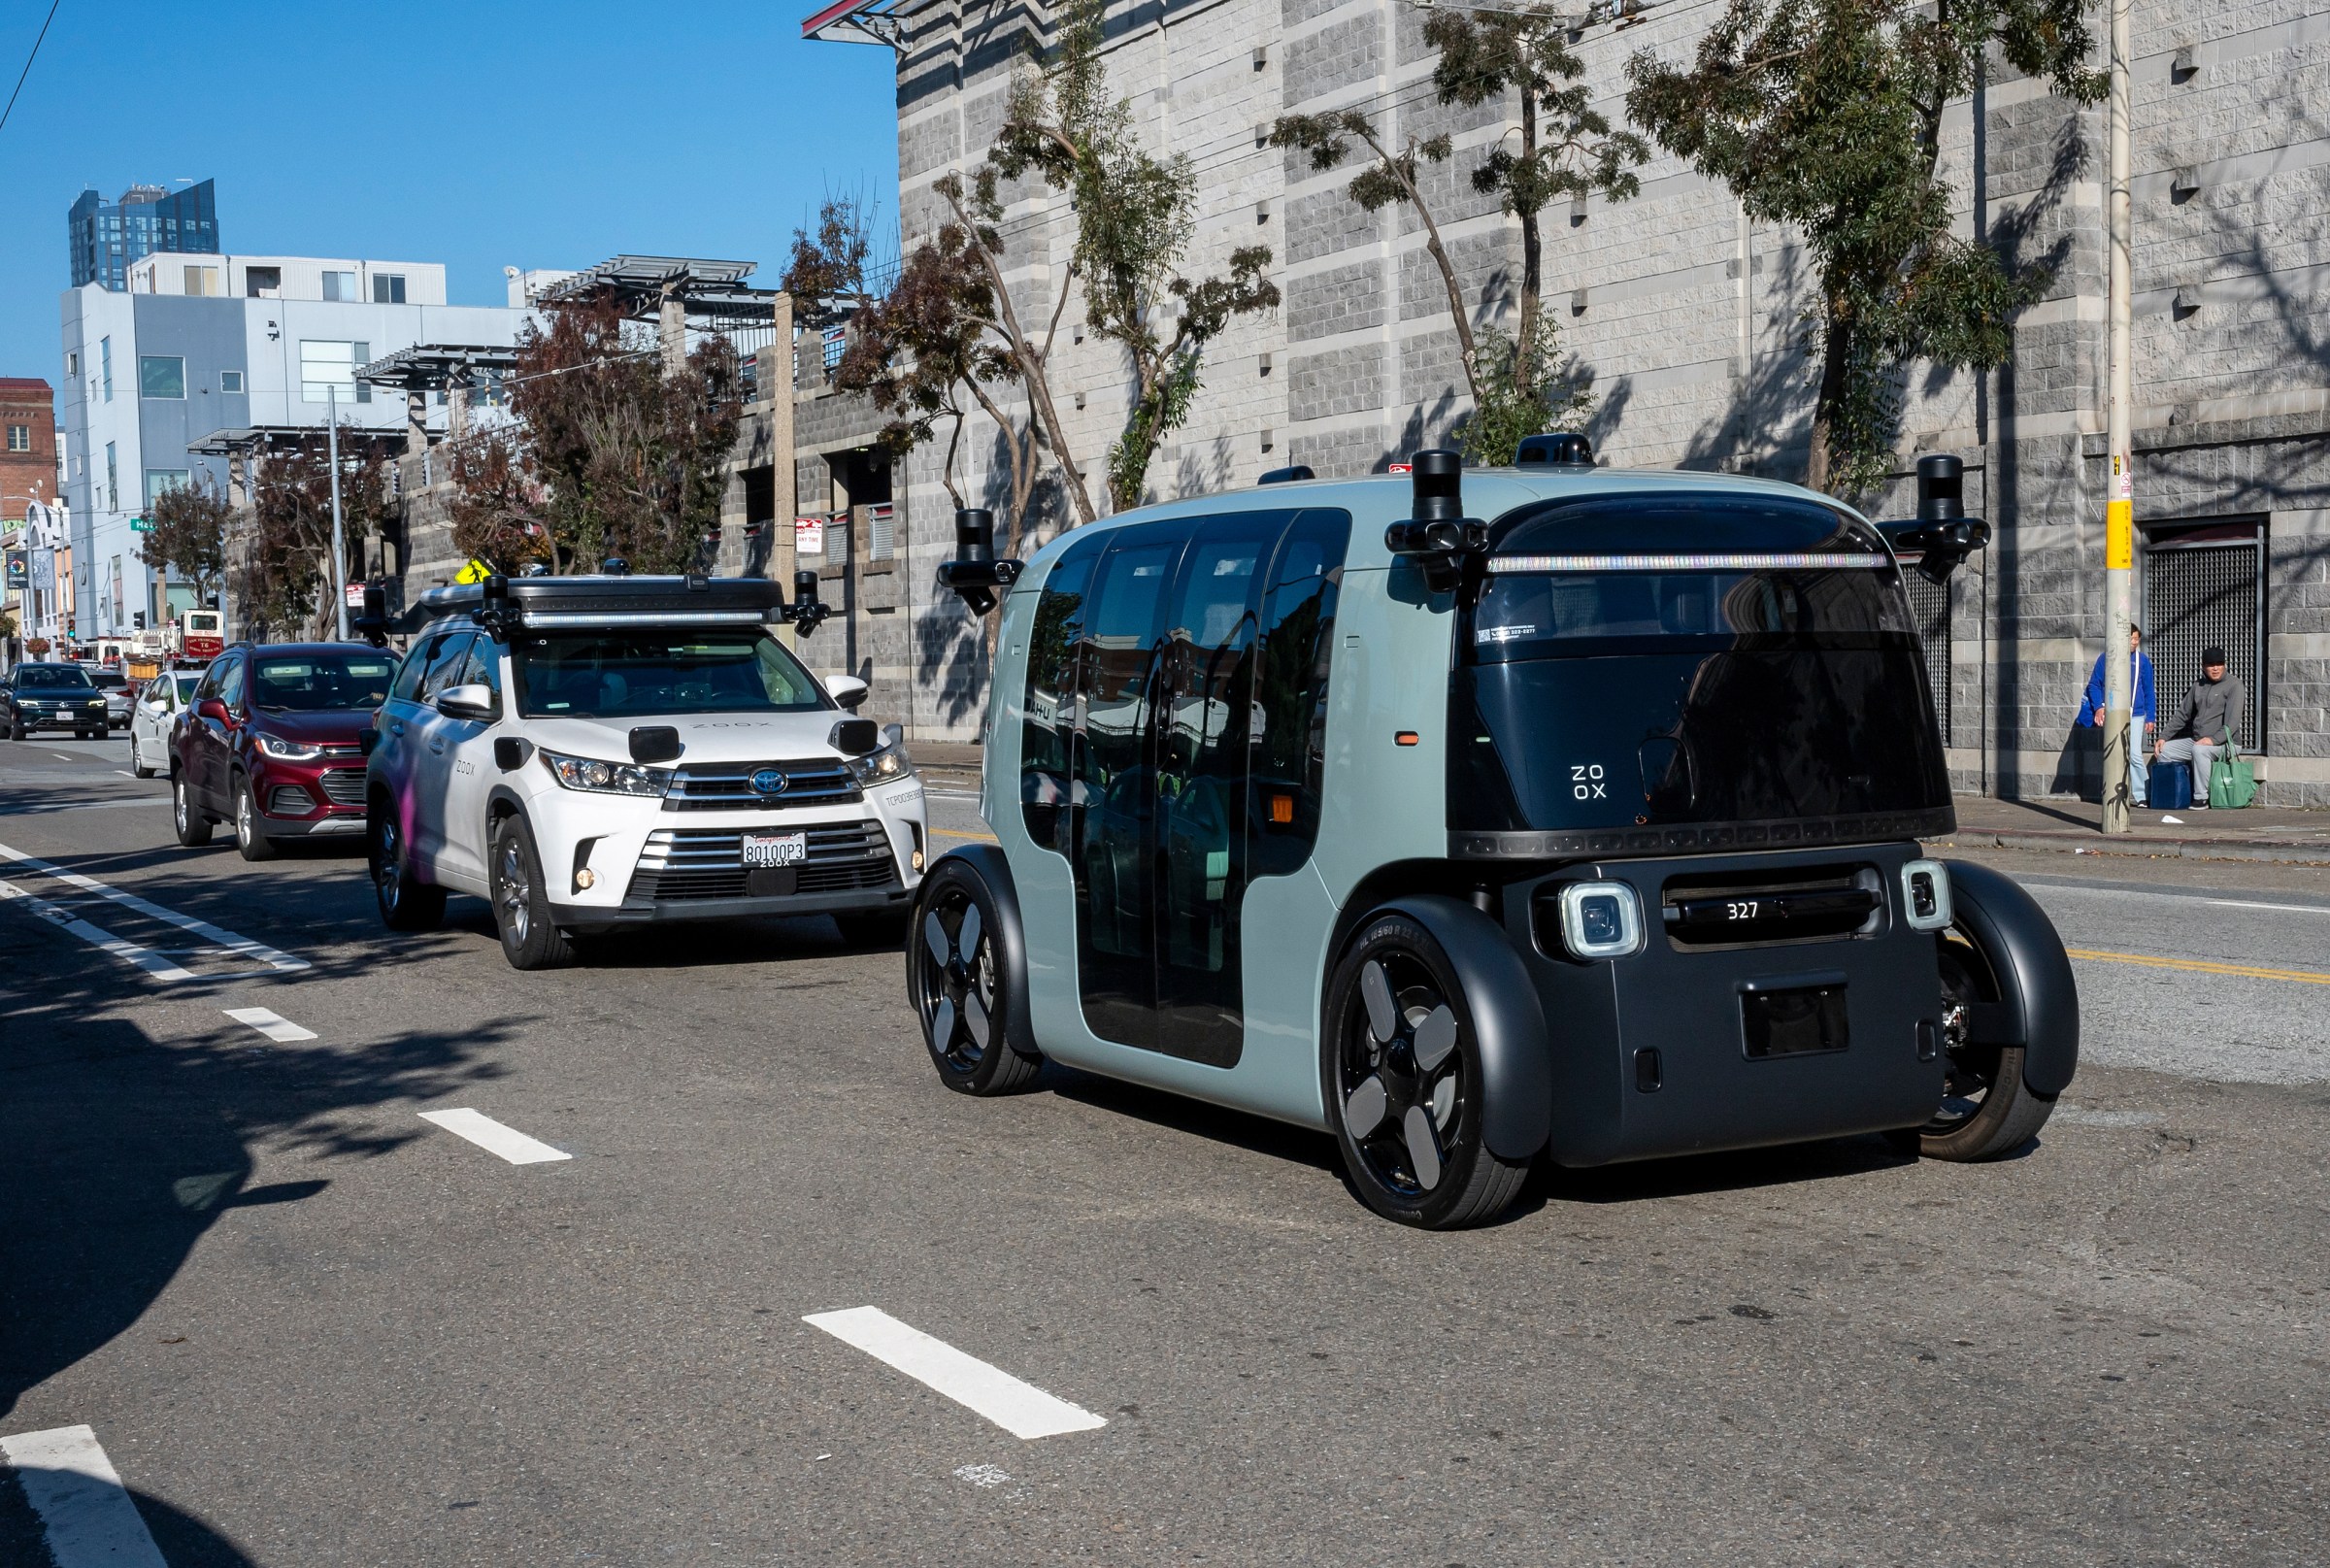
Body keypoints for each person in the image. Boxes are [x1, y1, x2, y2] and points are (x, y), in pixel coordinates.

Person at [2155, 645, 2247, 809]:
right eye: (2211, 665)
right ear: (2203, 667)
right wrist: (2164, 737)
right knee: (2164, 751)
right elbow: (2182, 714)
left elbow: (2232, 723)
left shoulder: (2235, 685)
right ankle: (2177, 795)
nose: (2215, 668)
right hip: (2197, 740)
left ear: (2225, 664)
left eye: (2219, 664)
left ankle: (2201, 798)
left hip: (2227, 744)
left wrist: (2212, 740)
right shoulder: (2198, 686)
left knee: (2199, 750)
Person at [2076, 625, 2156, 807]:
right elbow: (2094, 685)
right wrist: (2099, 707)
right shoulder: (2106, 658)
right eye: (2130, 638)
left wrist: (2150, 716)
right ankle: (2114, 791)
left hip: (2135, 713)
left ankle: (2143, 795)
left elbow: (2149, 690)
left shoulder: (2142, 661)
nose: (2134, 642)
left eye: (2136, 638)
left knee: (2134, 754)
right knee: (2114, 752)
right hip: (2113, 713)